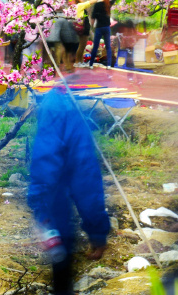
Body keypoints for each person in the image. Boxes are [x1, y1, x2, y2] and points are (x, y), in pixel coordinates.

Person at [28, 84, 108, 295]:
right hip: (58, 212)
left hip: (54, 210)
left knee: (61, 273)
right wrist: (97, 228)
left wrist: (39, 207)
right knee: (63, 276)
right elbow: (85, 174)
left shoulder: (55, 103)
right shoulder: (64, 104)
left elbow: (47, 161)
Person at [89, 0, 116, 68]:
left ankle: (91, 64)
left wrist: (92, 26)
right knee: (108, 46)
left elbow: (93, 17)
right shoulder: (108, 4)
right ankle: (109, 65)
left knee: (95, 46)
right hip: (107, 27)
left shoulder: (97, 5)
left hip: (99, 28)